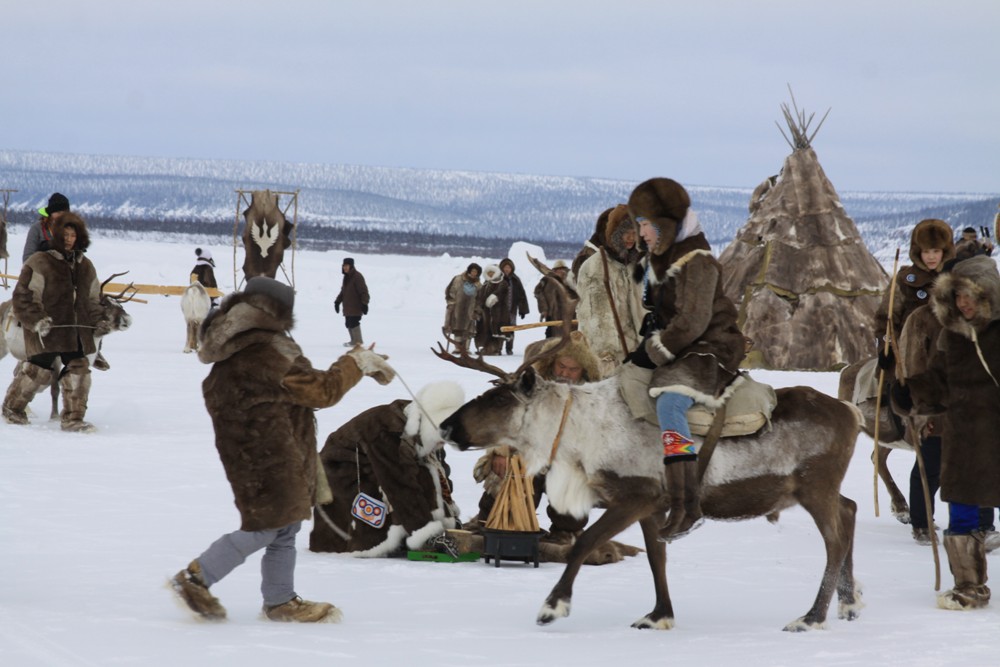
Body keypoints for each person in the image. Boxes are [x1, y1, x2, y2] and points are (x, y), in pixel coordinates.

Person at [170, 277, 397, 623]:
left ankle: (280, 600)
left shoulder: (240, 343)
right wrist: (356, 363)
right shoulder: (269, 348)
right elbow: (321, 392)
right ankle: (195, 578)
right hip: (269, 455)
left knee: (285, 524)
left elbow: (291, 390)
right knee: (266, 526)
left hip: (256, 450)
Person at [625, 177, 746, 542]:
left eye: (645, 224)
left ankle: (686, 503)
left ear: (664, 223)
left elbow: (692, 321)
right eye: (639, 224)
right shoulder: (663, 258)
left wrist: (654, 351)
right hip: (684, 343)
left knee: (671, 401)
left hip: (710, 346)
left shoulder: (698, 261)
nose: (641, 232)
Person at [905, 255, 1000, 609]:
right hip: (963, 437)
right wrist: (910, 391)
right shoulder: (951, 335)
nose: (963, 303)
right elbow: (939, 383)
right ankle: (969, 586)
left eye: (969, 295)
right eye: (957, 296)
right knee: (961, 514)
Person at [467, 331, 601, 545]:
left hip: (568, 462)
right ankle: (490, 520)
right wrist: (499, 452)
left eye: (573, 369)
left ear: (583, 371)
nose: (565, 373)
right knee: (509, 470)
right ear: (552, 364)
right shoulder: (530, 387)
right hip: (525, 457)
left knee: (572, 482)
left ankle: (565, 531)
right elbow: (503, 423)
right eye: (561, 366)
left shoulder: (593, 398)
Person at [309, 381, 465, 557]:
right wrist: (427, 533)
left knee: (422, 476)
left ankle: (413, 534)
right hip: (344, 478)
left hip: (376, 473)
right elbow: (399, 485)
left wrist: (449, 520)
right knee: (366, 539)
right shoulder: (387, 430)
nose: (443, 443)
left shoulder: (426, 427)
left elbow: (439, 475)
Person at [876, 218, 955, 545]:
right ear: (917, 251)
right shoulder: (905, 281)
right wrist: (885, 350)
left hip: (950, 370)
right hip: (912, 365)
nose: (932, 257)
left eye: (936, 250)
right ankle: (922, 520)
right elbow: (886, 319)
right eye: (926, 251)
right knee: (928, 452)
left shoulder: (955, 279)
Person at [3, 212, 110, 431]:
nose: (70, 239)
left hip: (77, 331)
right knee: (38, 371)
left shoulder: (86, 266)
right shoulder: (40, 262)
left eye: (74, 234)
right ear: (57, 234)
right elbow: (24, 295)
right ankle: (12, 408)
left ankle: (73, 419)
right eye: (66, 234)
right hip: (48, 329)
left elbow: (94, 299)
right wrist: (37, 320)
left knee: (80, 370)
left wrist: (100, 321)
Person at [575, 204, 646, 376]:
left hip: (635, 354)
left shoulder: (632, 266)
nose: (630, 238)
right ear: (614, 233)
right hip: (611, 359)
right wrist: (606, 358)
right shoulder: (597, 267)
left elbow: (640, 310)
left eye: (634, 233)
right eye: (625, 232)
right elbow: (597, 318)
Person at [443, 263, 481, 354]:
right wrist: (451, 303)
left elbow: (479, 299)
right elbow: (450, 291)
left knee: (469, 329)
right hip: (457, 308)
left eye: (476, 272)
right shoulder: (458, 279)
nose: (473, 273)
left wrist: (477, 310)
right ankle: (457, 347)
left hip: (470, 310)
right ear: (469, 271)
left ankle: (466, 348)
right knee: (457, 327)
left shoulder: (479, 285)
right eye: (472, 271)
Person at [534, 260, 578, 338]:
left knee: (570, 334)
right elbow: (538, 292)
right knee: (551, 334)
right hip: (552, 313)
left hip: (569, 313)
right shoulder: (547, 280)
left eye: (562, 269)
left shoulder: (570, 280)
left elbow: (577, 294)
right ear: (554, 270)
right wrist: (544, 310)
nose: (560, 271)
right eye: (558, 269)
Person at [22, 192, 70, 262]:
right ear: (50, 213)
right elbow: (27, 258)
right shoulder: (37, 228)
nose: (61, 216)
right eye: (58, 213)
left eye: (64, 213)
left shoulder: (72, 229)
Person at [334, 257, 370, 347]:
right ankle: (353, 340)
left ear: (351, 266)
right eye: (344, 266)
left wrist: (364, 304)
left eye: (347, 266)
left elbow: (364, 291)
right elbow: (343, 291)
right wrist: (337, 302)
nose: (345, 268)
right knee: (348, 323)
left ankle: (358, 342)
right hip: (348, 307)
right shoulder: (346, 278)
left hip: (356, 306)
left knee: (354, 322)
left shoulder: (357, 276)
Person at [474, 264, 510, 355]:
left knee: (497, 330)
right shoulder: (486, 284)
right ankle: (486, 348)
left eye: (492, 273)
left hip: (499, 312)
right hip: (486, 312)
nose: (490, 274)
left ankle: (496, 349)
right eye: (489, 273)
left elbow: (501, 294)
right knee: (486, 330)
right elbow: (480, 297)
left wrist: (494, 298)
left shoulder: (503, 283)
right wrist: (479, 307)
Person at [498, 258, 529, 355]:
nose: (507, 269)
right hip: (499, 309)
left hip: (512, 309)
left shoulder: (515, 280)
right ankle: (498, 348)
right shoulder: (498, 278)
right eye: (505, 267)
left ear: (512, 269)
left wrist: (523, 309)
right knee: (499, 328)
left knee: (511, 329)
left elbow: (521, 295)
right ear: (502, 268)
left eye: (509, 267)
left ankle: (509, 348)